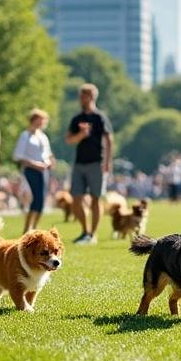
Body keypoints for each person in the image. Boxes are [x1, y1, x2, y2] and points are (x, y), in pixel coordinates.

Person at [64, 83, 113, 244]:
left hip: (96, 163)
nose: (80, 99)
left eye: (83, 96)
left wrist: (107, 162)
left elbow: (109, 140)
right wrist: (81, 135)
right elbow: (69, 140)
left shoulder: (99, 117)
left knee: (95, 198)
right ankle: (85, 231)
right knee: (76, 198)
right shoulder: (76, 119)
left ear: (91, 97)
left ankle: (92, 234)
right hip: (79, 163)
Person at [13, 108, 54, 232]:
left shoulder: (43, 137)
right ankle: (27, 228)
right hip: (31, 170)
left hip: (43, 170)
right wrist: (35, 164)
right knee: (35, 198)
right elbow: (18, 155)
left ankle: (35, 226)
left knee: (41, 199)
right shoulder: (25, 136)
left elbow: (47, 154)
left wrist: (48, 162)